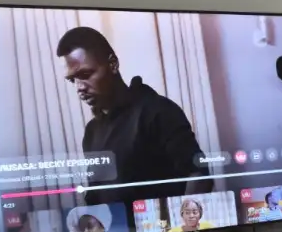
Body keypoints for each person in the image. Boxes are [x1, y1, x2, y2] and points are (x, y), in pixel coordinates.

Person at [57, 27, 212, 200]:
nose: (79, 87)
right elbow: (96, 194)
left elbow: (198, 175)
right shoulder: (91, 132)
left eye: (85, 74)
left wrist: (182, 217)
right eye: (72, 80)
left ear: (112, 64)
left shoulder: (158, 111)